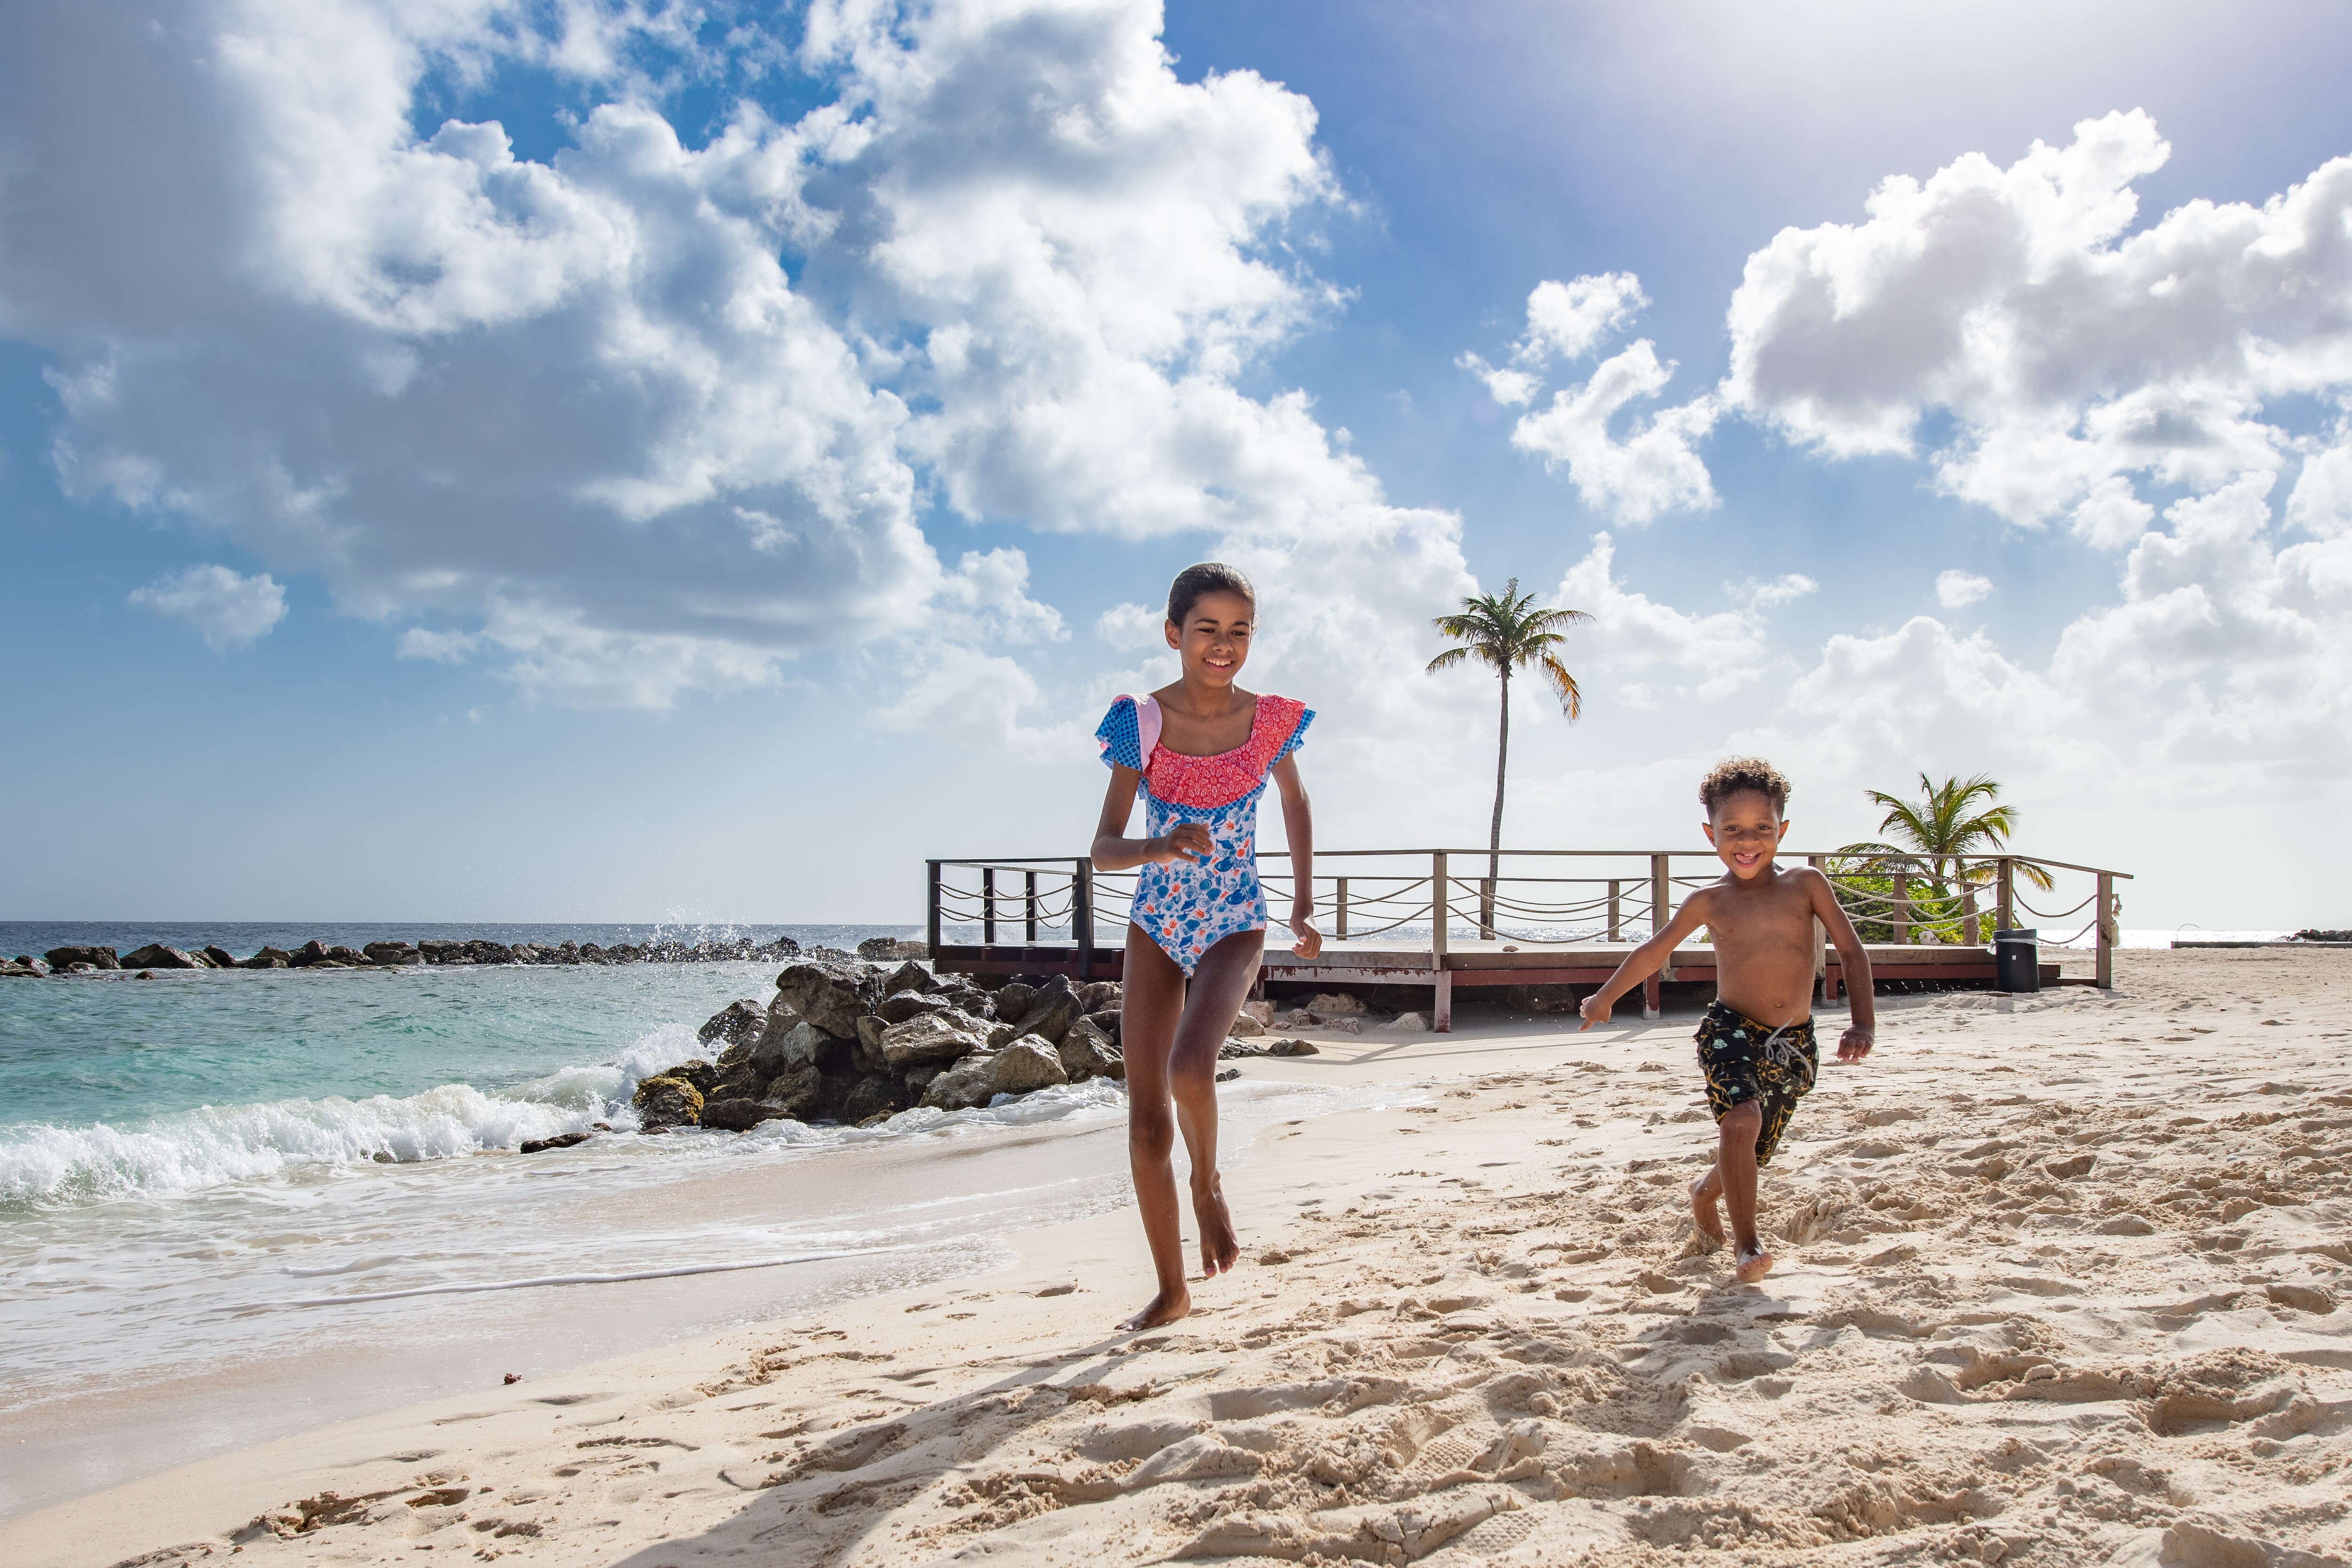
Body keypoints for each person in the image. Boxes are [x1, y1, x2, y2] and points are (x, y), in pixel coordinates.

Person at [1091, 563, 1320, 1330]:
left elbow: (1295, 798)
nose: (1223, 645)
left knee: (1193, 1065)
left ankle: (1209, 1181)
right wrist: (1160, 843)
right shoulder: (1139, 721)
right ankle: (1170, 1288)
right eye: (1206, 630)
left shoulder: (1271, 720)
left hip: (1235, 918)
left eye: (1239, 630)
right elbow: (1103, 848)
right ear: (1173, 634)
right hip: (1156, 922)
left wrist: (1303, 903)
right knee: (1146, 1115)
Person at [1577, 758, 1874, 1283]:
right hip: (1729, 1029)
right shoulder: (1707, 902)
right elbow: (1653, 952)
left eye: (1762, 829)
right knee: (1740, 1122)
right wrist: (1604, 997)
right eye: (1731, 829)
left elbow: (1851, 952)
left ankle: (1701, 1197)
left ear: (1781, 831)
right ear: (1709, 833)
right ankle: (1746, 1245)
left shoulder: (1806, 885)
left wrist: (1861, 1022)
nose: (1747, 841)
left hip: (1794, 1045)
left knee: (1751, 1152)